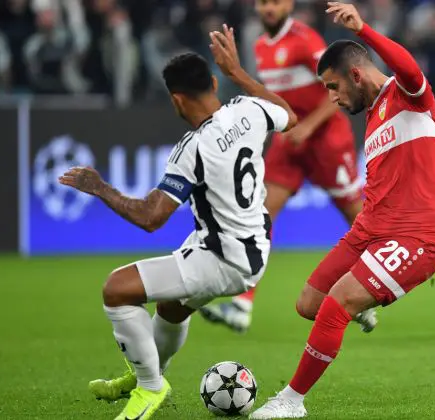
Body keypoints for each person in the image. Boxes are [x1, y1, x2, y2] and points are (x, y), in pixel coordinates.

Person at [58, 26, 297, 420]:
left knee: (117, 289)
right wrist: (240, 72)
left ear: (176, 99)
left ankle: (151, 386)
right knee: (172, 307)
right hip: (251, 246)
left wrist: (99, 187)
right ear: (215, 82)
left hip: (224, 259)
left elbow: (152, 217)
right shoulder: (249, 109)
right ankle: (144, 376)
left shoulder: (193, 148)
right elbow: (290, 116)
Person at [249, 3, 435, 419]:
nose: (331, 98)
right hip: (370, 231)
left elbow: (409, 67)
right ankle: (367, 298)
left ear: (356, 75)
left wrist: (363, 30)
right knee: (308, 304)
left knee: (336, 304)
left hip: (418, 236)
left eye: (332, 86)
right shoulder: (374, 117)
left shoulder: (409, 97)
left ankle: (291, 401)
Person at [199, 0, 377, 334]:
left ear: (289, 5)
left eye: (276, 1)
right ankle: (242, 305)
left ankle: (362, 297)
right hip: (289, 145)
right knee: (260, 216)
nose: (269, 8)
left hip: (325, 141)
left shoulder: (306, 40)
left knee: (363, 220)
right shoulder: (260, 45)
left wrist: (308, 127)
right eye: (264, 2)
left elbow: (337, 86)